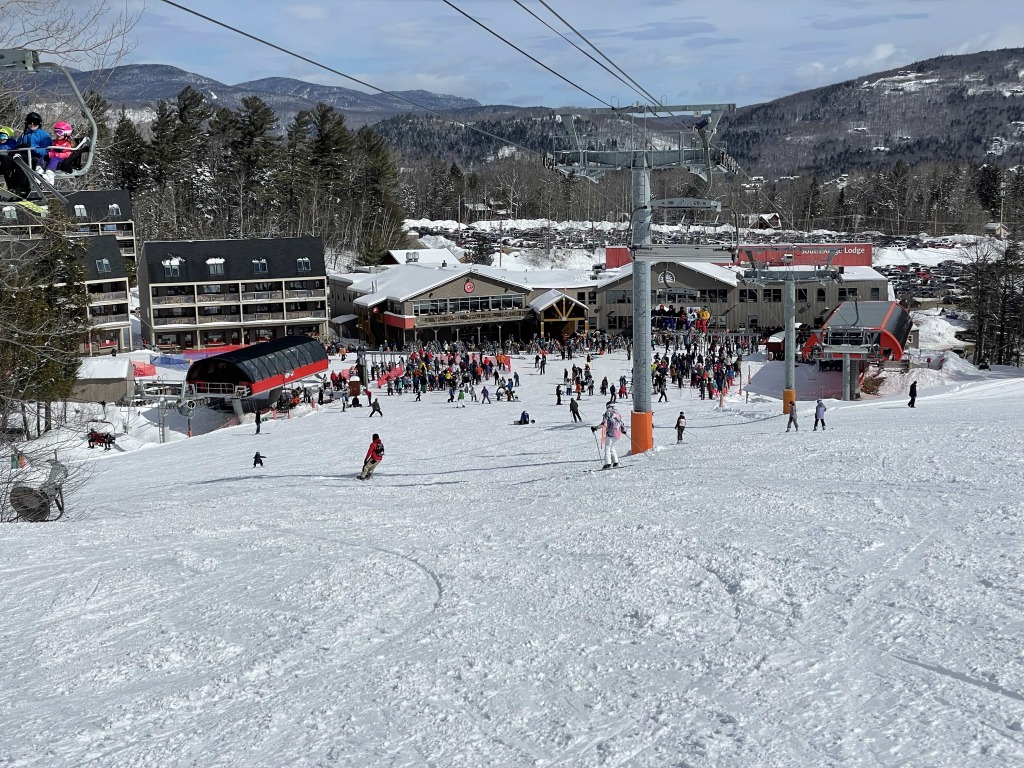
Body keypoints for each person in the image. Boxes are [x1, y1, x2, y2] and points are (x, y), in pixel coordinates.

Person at [592, 403, 627, 469]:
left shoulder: (607, 413)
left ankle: (608, 464)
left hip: (610, 433)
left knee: (607, 448)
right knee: (612, 447)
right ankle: (615, 462)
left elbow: (604, 423)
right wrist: (623, 430)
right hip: (617, 434)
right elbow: (621, 423)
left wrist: (595, 428)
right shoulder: (618, 414)